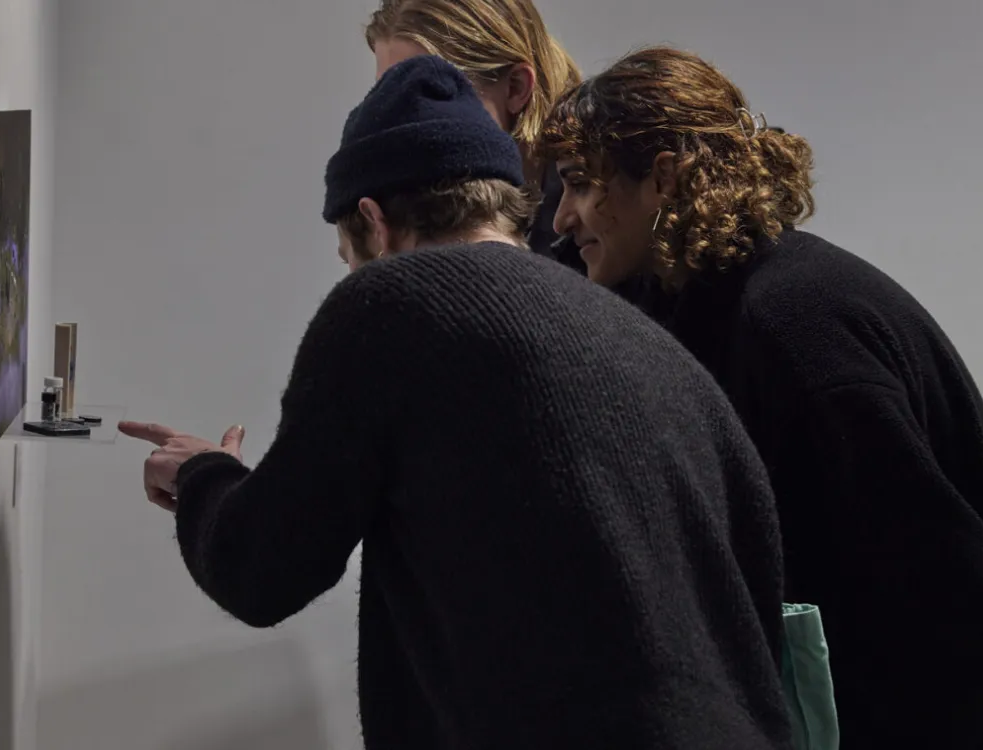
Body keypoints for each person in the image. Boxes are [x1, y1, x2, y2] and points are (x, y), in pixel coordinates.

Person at [121, 55, 794, 749]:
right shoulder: (645, 340)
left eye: (347, 253)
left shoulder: (391, 304)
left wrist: (205, 476)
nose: (351, 271)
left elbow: (261, 568)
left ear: (374, 223)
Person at [540, 45, 983, 750]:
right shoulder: (699, 299)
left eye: (580, 185)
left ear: (663, 178)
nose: (562, 218)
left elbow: (959, 621)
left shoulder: (796, 330)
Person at [363, 0, 586, 270]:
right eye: (385, 96)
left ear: (515, 88)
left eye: (429, 94)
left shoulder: (600, 215)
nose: (396, 123)